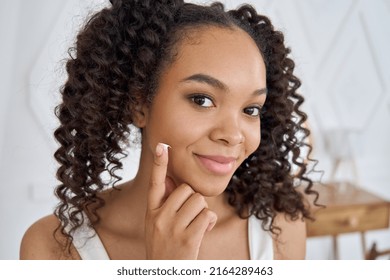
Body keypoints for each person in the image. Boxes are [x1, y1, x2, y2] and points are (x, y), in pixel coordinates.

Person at [20, 0, 318, 260]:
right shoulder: (54, 249)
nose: (233, 134)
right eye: (202, 100)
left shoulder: (280, 228)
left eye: (250, 109)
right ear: (140, 105)